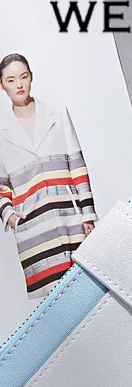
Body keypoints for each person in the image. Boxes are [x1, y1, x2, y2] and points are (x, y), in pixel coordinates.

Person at [0, 53, 98, 299]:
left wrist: (87, 214)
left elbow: (77, 165)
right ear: (2, 85)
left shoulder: (57, 113)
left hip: (72, 220)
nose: (19, 84)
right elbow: (1, 185)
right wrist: (10, 216)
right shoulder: (1, 132)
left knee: (89, 292)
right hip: (35, 231)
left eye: (23, 76)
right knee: (56, 305)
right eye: (11, 80)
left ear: (31, 77)